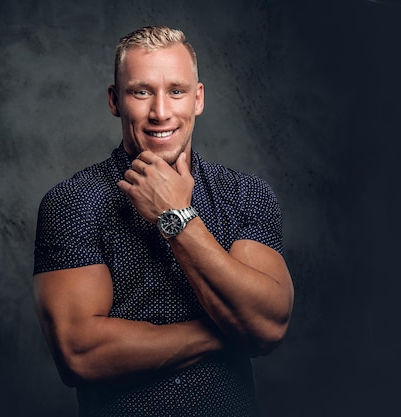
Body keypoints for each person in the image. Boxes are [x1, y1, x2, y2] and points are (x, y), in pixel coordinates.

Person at [33, 25, 293, 416]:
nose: (160, 112)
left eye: (176, 91)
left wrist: (177, 218)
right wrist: (229, 332)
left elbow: (269, 322)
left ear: (198, 98)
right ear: (114, 100)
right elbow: (80, 354)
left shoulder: (245, 194)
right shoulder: (72, 202)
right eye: (141, 91)